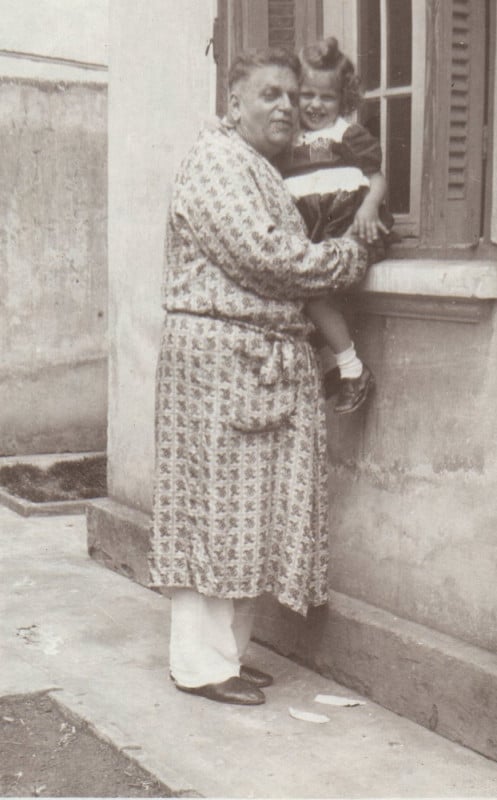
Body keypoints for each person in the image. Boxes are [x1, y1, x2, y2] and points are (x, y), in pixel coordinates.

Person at [148, 48, 369, 707]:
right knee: (212, 515)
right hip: (218, 365)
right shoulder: (216, 161)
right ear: (234, 102)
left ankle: (226, 657)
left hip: (246, 364)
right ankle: (199, 666)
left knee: (243, 519)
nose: (286, 107)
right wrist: (347, 255)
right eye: (269, 94)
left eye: (292, 96)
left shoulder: (253, 164)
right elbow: (270, 258)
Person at [277, 37, 393, 414]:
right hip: (315, 235)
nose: (315, 105)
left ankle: (352, 369)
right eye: (307, 95)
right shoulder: (288, 143)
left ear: (343, 99)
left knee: (315, 294)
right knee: (307, 300)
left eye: (326, 98)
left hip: (348, 226)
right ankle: (342, 367)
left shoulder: (347, 135)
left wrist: (370, 207)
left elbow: (376, 178)